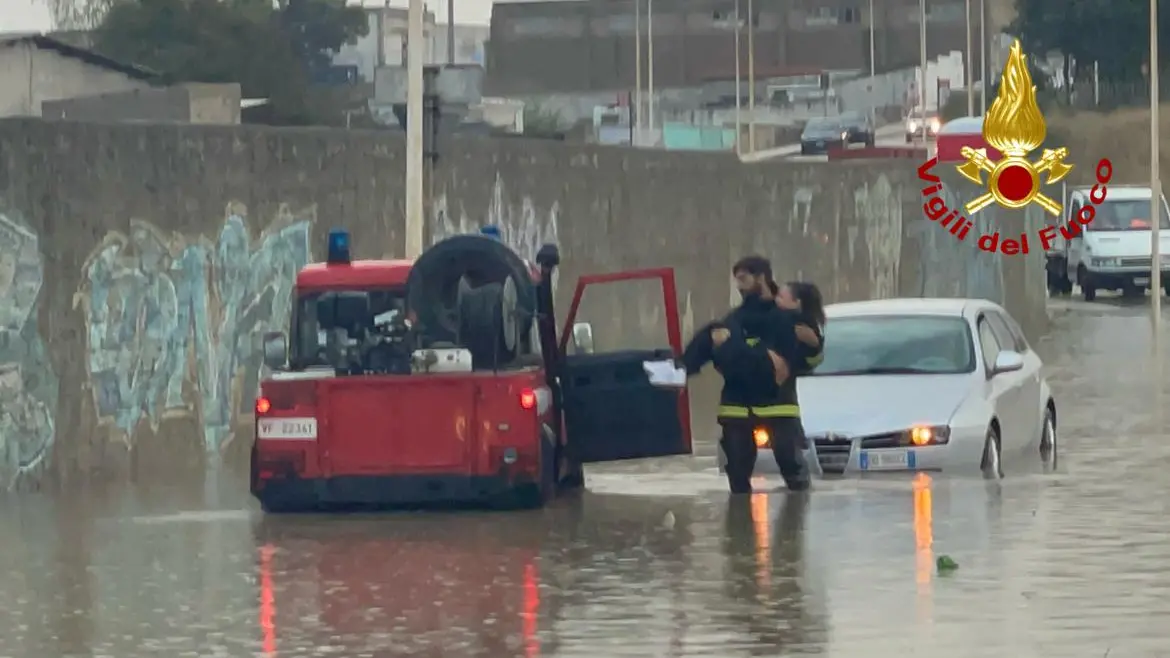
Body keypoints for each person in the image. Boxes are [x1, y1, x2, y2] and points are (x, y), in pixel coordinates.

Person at [680, 256, 810, 494]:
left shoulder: (785, 319)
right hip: (737, 408)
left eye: (743, 279)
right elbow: (727, 360)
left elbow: (785, 362)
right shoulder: (733, 320)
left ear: (761, 278)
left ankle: (795, 528)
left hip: (778, 406)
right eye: (737, 280)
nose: (739, 286)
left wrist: (735, 348)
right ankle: (740, 528)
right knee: (738, 476)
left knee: (791, 467)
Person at [775, 280, 826, 374]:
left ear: (797, 303)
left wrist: (814, 346)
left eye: (780, 297)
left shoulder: (799, 326)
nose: (775, 300)